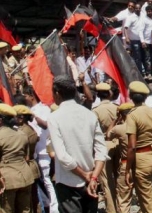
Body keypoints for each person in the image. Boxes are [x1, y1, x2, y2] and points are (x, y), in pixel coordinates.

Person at [48, 75, 107, 212]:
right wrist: (93, 177)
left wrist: (84, 175)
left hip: (69, 182)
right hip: (91, 181)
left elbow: (62, 157)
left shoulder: (54, 118)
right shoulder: (90, 115)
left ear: (57, 93)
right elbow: (101, 151)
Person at [125, 81, 152, 213]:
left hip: (142, 159)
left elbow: (132, 146)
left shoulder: (132, 115)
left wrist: (127, 170)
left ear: (131, 96)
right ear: (146, 97)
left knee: (147, 201)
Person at [23, 85, 58, 212]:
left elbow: (45, 126)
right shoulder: (28, 110)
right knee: (41, 182)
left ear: (32, 96)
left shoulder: (43, 109)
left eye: (25, 95)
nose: (24, 98)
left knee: (49, 182)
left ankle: (54, 209)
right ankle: (46, 204)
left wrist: (34, 117)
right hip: (35, 154)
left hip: (45, 152)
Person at [0, 103, 34, 213]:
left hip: (7, 180)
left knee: (6, 210)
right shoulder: (21, 134)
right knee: (25, 210)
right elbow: (27, 157)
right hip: (25, 176)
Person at [92, 83, 118, 213]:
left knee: (107, 182)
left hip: (103, 145)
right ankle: (123, 207)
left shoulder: (95, 111)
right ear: (110, 94)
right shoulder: (117, 108)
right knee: (121, 179)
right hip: (119, 143)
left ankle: (112, 209)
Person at [106, 102, 134, 213]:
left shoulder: (119, 128)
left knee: (124, 200)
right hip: (142, 162)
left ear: (121, 114)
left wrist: (115, 119)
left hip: (126, 163)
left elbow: (108, 135)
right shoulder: (141, 126)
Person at [14, 104, 41, 213]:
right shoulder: (28, 128)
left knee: (29, 201)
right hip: (31, 166)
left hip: (26, 166)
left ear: (21, 118)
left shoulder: (23, 132)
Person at [124, 3, 143, 72]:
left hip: (142, 41)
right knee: (137, 57)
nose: (138, 9)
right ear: (134, 9)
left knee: (144, 57)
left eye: (139, 8)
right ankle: (140, 73)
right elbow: (125, 28)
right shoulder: (131, 17)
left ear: (141, 9)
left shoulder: (143, 16)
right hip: (134, 40)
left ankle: (145, 72)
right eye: (136, 8)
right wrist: (126, 37)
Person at [139, 4, 152, 78]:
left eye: (150, 11)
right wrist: (142, 41)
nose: (149, 13)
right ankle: (148, 73)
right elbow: (140, 31)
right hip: (146, 42)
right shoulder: (144, 19)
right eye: (147, 11)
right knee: (147, 58)